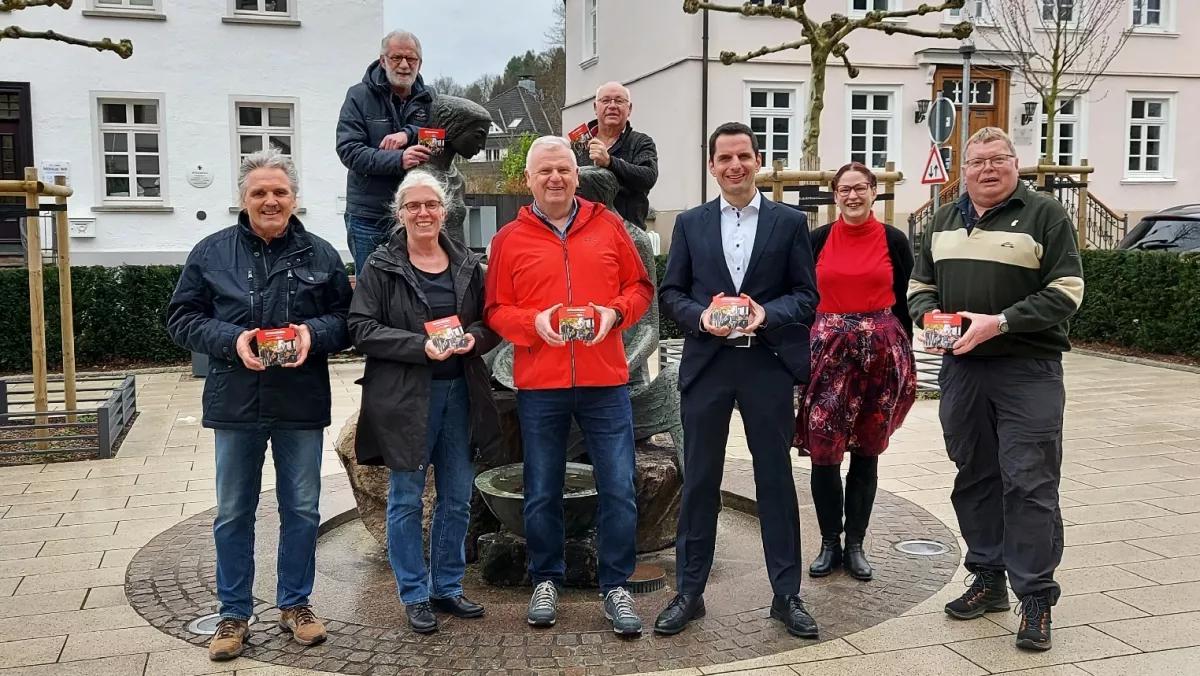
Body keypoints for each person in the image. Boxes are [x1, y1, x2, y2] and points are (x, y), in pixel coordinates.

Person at [166, 148, 352, 661]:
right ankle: (233, 613)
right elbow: (181, 319)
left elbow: (346, 320)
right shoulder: (211, 252)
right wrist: (233, 340)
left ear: (294, 198)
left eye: (280, 192)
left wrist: (312, 333)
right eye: (259, 192)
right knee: (233, 512)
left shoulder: (320, 254)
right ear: (242, 199)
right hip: (236, 400)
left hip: (300, 400)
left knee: (303, 508)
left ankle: (296, 605)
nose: (271, 200)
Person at [908, 127, 1085, 652]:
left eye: (998, 159)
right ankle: (988, 578)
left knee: (1029, 482)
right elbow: (920, 287)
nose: (988, 169)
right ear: (963, 171)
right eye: (977, 161)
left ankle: (1036, 598)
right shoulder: (943, 219)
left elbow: (1067, 291)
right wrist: (930, 321)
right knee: (975, 476)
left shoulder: (1045, 215)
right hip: (963, 372)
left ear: (1015, 164)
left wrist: (1001, 322)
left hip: (1027, 370)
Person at [484, 136, 654, 636]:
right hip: (541, 383)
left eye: (563, 169)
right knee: (541, 489)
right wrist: (533, 324)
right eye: (545, 171)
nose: (555, 178)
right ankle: (546, 578)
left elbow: (640, 288)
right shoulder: (509, 239)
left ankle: (616, 585)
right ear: (529, 180)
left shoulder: (609, 225)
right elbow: (495, 310)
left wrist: (614, 314)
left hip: (605, 380)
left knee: (619, 486)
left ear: (577, 175)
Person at [656, 122, 820, 638]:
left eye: (743, 156)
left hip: (765, 365)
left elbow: (806, 296)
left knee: (775, 480)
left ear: (757, 161)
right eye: (724, 158)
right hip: (708, 365)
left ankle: (786, 594)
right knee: (700, 480)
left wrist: (767, 313)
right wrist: (700, 316)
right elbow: (671, 293)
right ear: (712, 166)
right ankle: (689, 592)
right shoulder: (691, 223)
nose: (735, 165)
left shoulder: (789, 222)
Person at [348, 172, 502, 635]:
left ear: (444, 210)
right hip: (406, 397)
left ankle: (447, 587)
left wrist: (473, 339)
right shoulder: (381, 266)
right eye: (413, 206)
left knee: (457, 497)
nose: (423, 213)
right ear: (400, 214)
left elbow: (490, 321)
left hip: (461, 393)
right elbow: (361, 328)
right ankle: (414, 593)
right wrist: (420, 346)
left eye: (431, 204)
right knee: (406, 499)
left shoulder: (468, 263)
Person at [795, 161, 917, 582]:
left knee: (867, 449)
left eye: (860, 188)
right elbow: (802, 295)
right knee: (824, 450)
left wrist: (906, 354)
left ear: (873, 191)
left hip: (879, 355)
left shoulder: (894, 240)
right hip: (827, 356)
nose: (852, 196)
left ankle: (856, 545)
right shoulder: (817, 240)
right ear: (835, 195)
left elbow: (906, 299)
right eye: (844, 189)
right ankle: (830, 542)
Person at [336, 30, 435, 275]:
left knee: (417, 282)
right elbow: (349, 151)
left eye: (411, 59)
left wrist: (408, 133)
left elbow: (438, 137)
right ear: (382, 61)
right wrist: (399, 159)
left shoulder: (429, 98)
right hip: (369, 214)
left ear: (420, 63)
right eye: (396, 58)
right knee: (372, 284)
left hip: (416, 213)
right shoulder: (358, 96)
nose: (404, 65)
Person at [575, 82, 658, 229]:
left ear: (629, 109)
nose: (612, 106)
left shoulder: (640, 142)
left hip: (626, 230)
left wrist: (610, 162)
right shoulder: (578, 144)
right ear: (595, 107)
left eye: (619, 101)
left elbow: (648, 177)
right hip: (582, 230)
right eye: (605, 100)